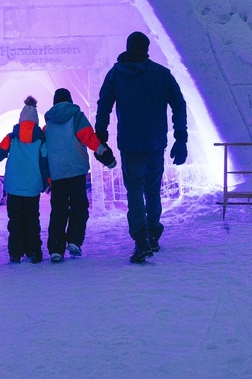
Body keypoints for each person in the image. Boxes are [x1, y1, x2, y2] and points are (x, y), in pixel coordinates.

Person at [94, 31, 188, 264]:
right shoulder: (161, 75)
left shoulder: (117, 74)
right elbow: (179, 104)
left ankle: (141, 239)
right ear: (147, 49)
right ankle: (153, 233)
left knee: (134, 190)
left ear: (127, 47)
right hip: (155, 141)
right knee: (152, 188)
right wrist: (180, 137)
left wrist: (101, 135)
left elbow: (104, 103)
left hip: (130, 143)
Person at [43, 87, 115, 262]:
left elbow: (44, 152)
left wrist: (46, 176)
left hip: (57, 174)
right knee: (79, 206)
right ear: (70, 100)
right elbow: (89, 138)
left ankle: (56, 248)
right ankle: (74, 240)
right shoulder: (76, 117)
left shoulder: (48, 125)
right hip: (76, 171)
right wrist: (105, 155)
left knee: (58, 210)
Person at [0, 96, 49, 264]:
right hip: (32, 187)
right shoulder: (41, 140)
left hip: (13, 187)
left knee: (15, 221)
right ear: (35, 120)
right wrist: (47, 182)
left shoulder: (12, 138)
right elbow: (44, 163)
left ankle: (15, 252)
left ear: (21, 120)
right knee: (32, 220)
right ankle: (33, 252)